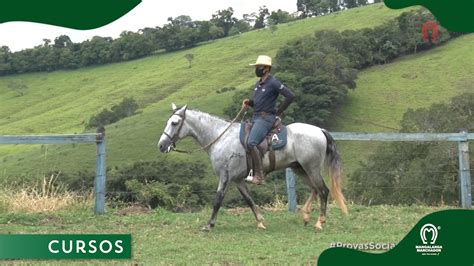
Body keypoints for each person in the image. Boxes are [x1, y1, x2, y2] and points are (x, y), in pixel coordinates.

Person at [242, 55, 295, 185]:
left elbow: (290, 96)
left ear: (266, 69)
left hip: (265, 119)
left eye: (259, 67)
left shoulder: (273, 82)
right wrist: (250, 103)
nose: (257, 69)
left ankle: (259, 176)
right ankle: (249, 171)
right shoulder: (258, 84)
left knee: (251, 142)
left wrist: (278, 111)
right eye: (256, 67)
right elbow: (259, 103)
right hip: (256, 117)